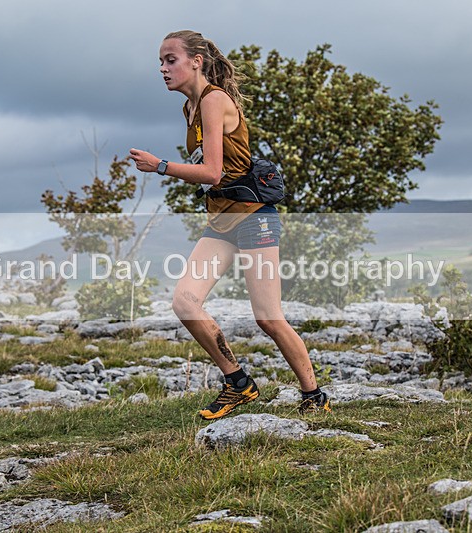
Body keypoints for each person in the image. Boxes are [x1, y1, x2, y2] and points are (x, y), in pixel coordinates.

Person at [129, 30, 330, 420]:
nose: (163, 68)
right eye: (161, 61)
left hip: (254, 218)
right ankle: (238, 382)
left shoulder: (214, 101)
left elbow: (212, 171)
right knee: (184, 302)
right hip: (221, 222)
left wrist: (162, 166)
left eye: (171, 60)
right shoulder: (189, 109)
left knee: (268, 317)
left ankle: (314, 395)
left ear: (196, 62)